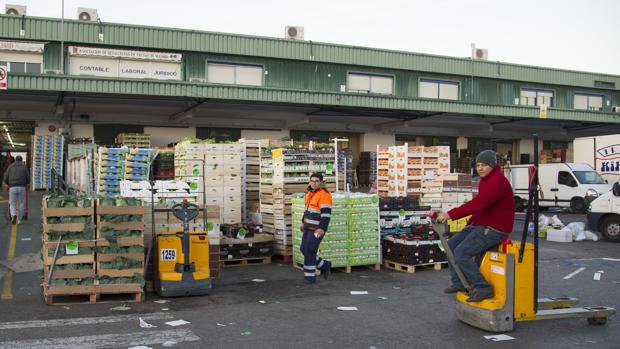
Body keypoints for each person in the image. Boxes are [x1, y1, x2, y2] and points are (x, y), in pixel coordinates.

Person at [437, 150, 515, 302]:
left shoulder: (497, 181)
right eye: (478, 165)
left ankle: (483, 287)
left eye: (484, 165)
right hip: (481, 224)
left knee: (461, 252)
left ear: (493, 165)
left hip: (495, 228)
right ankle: (458, 282)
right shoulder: (486, 180)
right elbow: (481, 208)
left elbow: (478, 204)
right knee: (450, 245)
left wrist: (451, 214)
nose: (480, 168)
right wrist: (468, 226)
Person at [299, 173, 333, 284]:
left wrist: (322, 228)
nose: (314, 183)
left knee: (310, 250)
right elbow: (307, 210)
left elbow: (326, 214)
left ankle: (310, 277)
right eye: (312, 180)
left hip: (317, 229)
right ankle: (325, 265)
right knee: (304, 249)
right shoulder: (310, 193)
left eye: (316, 181)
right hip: (308, 227)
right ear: (309, 182)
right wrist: (302, 222)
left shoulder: (324, 194)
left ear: (321, 182)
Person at [3, 155, 29, 224]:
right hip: (22, 187)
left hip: (12, 187)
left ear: (15, 160)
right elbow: (28, 177)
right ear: (21, 160)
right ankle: (19, 218)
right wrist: (27, 183)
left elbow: (5, 177)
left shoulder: (10, 166)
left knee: (12, 203)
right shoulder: (24, 167)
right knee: (21, 203)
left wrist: (8, 184)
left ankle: (13, 215)